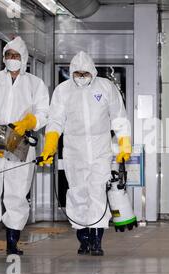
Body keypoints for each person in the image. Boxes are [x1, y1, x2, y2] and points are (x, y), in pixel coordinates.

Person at [39, 51, 131, 256]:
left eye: (85, 73)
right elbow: (55, 121)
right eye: (77, 73)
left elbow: (119, 118)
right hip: (74, 150)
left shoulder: (106, 87)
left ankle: (97, 239)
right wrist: (50, 145)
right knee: (78, 193)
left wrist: (124, 144)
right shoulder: (63, 91)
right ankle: (83, 237)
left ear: (93, 72)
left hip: (101, 149)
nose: (81, 76)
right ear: (72, 72)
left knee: (98, 193)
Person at [0, 37, 50, 255]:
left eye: (16, 56)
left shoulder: (35, 84)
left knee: (17, 191)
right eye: (8, 56)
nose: (12, 60)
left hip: (20, 138)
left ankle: (12, 243)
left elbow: (44, 111)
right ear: (4, 58)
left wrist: (29, 122)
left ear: (23, 58)